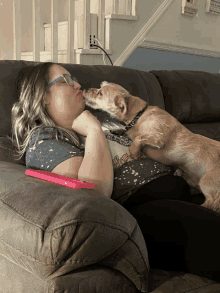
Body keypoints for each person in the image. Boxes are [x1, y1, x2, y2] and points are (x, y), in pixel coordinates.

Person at [10, 62, 220, 283]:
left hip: (193, 187)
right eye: (66, 80)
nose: (78, 85)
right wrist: (93, 131)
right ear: (42, 96)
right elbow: (92, 192)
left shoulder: (113, 124)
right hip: (144, 210)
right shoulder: (45, 138)